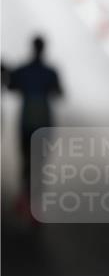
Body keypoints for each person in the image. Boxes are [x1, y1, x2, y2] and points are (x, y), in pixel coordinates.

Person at [5, 35, 63, 210]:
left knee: (25, 159)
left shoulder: (23, 70)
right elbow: (59, 92)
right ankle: (34, 198)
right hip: (43, 121)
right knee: (39, 162)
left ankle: (25, 194)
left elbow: (10, 86)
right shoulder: (50, 72)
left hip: (26, 120)